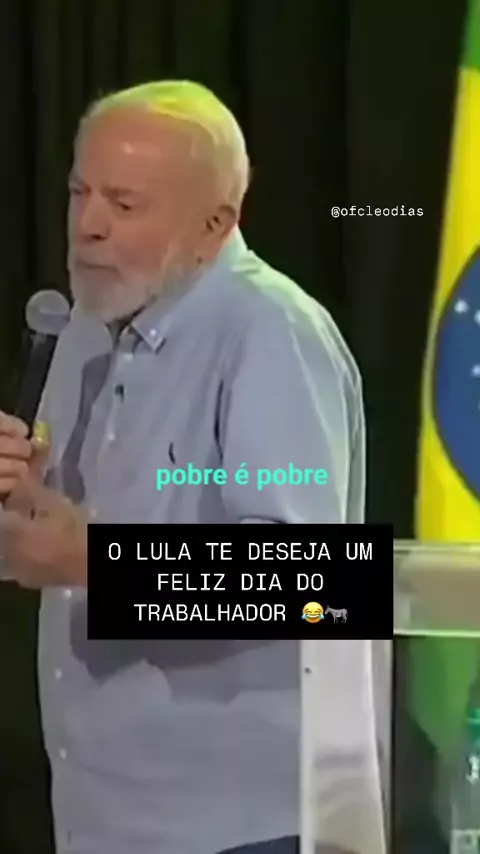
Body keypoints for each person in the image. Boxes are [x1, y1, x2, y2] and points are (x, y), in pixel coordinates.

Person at [0, 80, 377, 854]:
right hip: (99, 816)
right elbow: (49, 545)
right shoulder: (85, 326)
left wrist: (95, 561)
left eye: (125, 204)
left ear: (216, 223)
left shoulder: (269, 331)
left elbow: (314, 581)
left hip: (241, 827)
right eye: (79, 193)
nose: (88, 226)